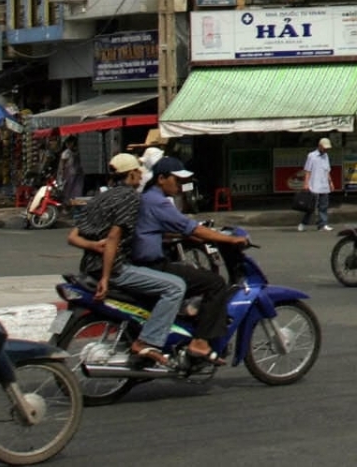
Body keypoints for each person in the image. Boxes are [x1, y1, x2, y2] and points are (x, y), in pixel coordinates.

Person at [67, 153, 185, 366]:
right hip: (115, 269)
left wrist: (93, 245)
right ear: (130, 174)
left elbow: (73, 237)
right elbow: (114, 237)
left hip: (88, 266)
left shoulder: (99, 197)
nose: (141, 176)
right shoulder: (129, 198)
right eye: (138, 172)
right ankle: (148, 341)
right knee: (175, 287)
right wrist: (106, 276)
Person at [130, 157, 248, 363]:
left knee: (192, 274)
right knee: (215, 283)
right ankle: (200, 342)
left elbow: (172, 230)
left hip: (147, 261)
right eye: (176, 180)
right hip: (152, 265)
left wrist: (193, 235)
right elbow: (192, 227)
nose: (179, 185)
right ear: (161, 179)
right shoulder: (156, 200)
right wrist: (230, 239)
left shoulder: (151, 198)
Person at [299, 137, 334, 232]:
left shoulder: (326, 156)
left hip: (324, 185)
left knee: (323, 206)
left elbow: (327, 171)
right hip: (314, 185)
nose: (326, 150)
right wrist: (306, 184)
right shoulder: (311, 156)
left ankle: (322, 224)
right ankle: (303, 223)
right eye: (324, 147)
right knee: (310, 207)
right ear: (319, 146)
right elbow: (307, 171)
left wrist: (330, 182)